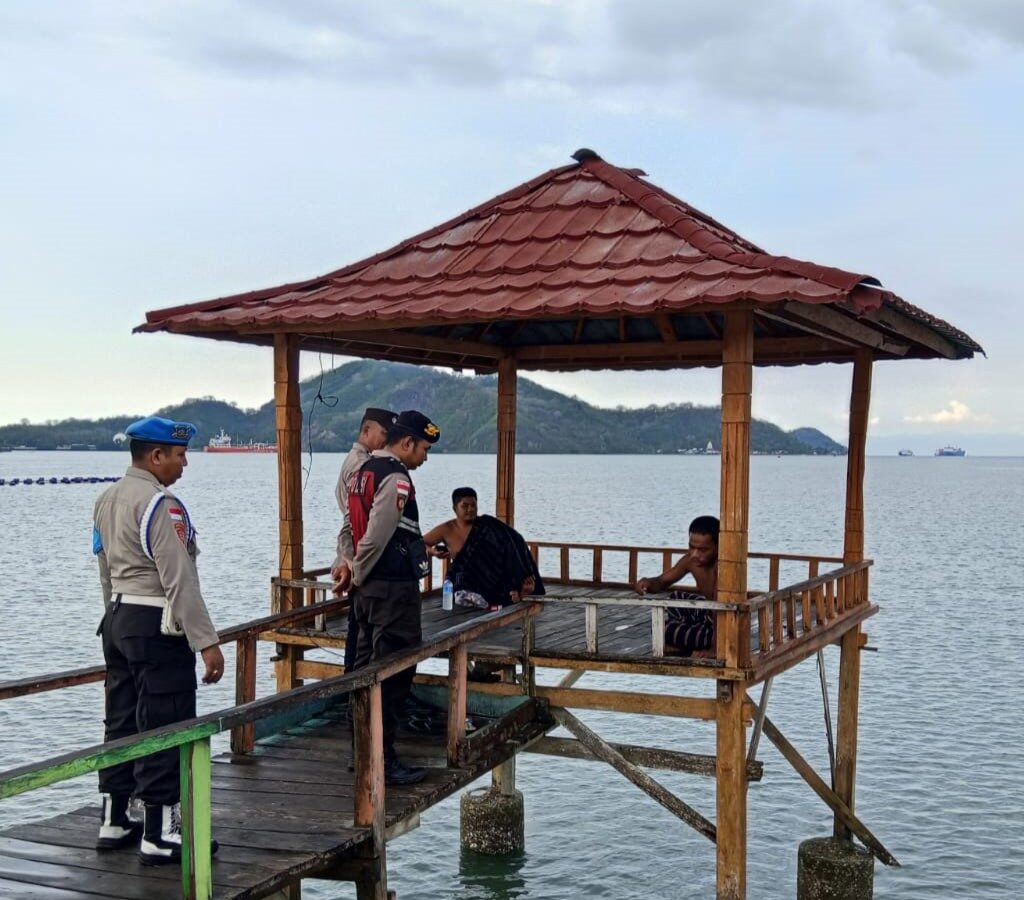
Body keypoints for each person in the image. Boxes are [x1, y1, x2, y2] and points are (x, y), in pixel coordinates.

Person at [92, 416, 223, 865]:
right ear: (156, 456)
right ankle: (160, 831)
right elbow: (179, 576)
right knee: (166, 721)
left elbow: (104, 567)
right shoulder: (160, 504)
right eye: (179, 455)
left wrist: (114, 615)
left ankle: (113, 816)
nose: (184, 464)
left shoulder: (105, 500)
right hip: (155, 624)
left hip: (118, 618)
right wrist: (206, 641)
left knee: (122, 718)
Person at [348, 410, 439, 785]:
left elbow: (348, 529)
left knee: (364, 671)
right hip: (390, 591)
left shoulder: (361, 473)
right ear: (406, 443)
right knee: (392, 675)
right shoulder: (396, 479)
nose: (425, 458)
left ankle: (363, 754)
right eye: (423, 449)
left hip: (369, 592)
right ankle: (383, 761)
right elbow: (376, 536)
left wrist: (351, 568)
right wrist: (357, 572)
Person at [330, 407, 396, 672]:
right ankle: (357, 696)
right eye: (384, 433)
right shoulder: (361, 464)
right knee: (362, 639)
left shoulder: (357, 460)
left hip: (358, 555)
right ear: (366, 431)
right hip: (362, 558)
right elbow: (353, 519)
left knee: (360, 635)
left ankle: (356, 693)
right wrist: (350, 561)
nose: (386, 440)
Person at [424, 487, 544, 608]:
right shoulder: (446, 529)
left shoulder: (488, 525)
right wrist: (433, 552)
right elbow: (419, 543)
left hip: (494, 581)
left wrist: (523, 575)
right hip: (465, 584)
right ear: (455, 508)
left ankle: (517, 591)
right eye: (465, 506)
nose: (470, 509)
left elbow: (515, 540)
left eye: (473, 505)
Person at [635, 515, 719, 656]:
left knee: (660, 628)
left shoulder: (722, 567)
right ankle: (687, 637)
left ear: (718, 547)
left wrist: (715, 649)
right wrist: (648, 583)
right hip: (707, 612)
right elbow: (662, 582)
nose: (694, 554)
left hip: (722, 626)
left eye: (703, 550)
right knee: (676, 597)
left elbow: (720, 610)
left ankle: (687, 642)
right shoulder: (690, 561)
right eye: (691, 547)